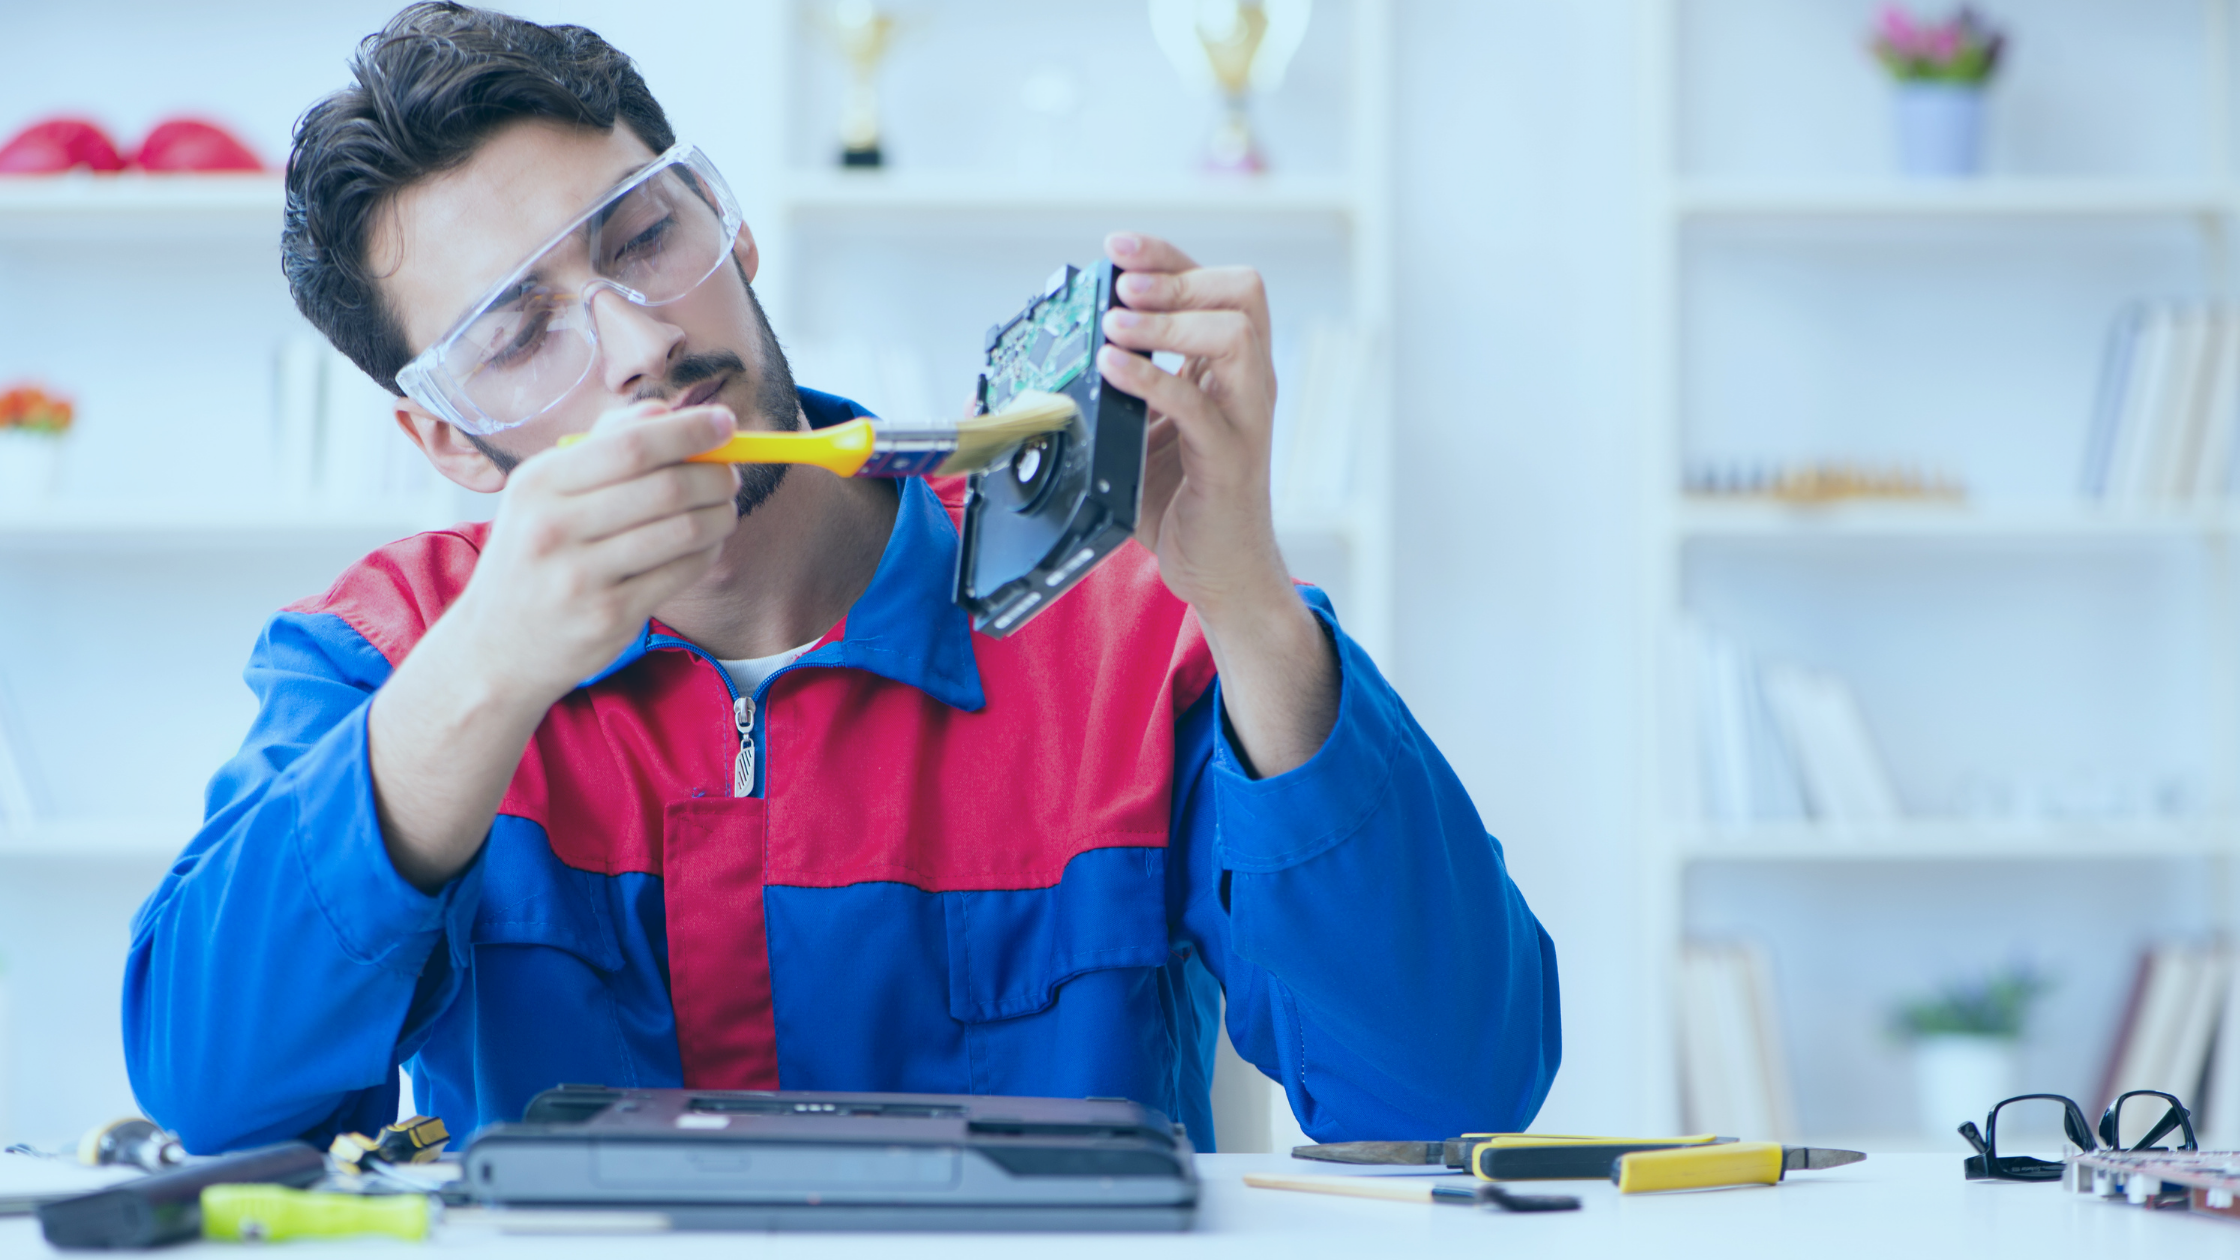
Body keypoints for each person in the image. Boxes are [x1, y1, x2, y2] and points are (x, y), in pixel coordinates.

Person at [122, 2, 1558, 1155]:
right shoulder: (386, 657)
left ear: (731, 228)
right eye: (516, 335)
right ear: (446, 438)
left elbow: (1452, 1093)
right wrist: (486, 674)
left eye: (642, 239)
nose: (636, 346)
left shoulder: (1127, 625)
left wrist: (1246, 599)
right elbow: (216, 1097)